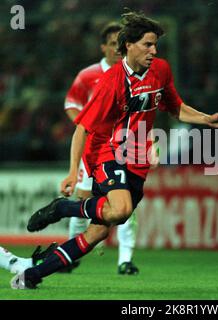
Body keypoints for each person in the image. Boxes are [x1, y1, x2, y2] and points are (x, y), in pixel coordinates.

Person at [12, 11, 218, 289]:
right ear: (128, 46)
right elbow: (82, 128)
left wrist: (206, 119)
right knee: (121, 210)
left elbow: (176, 107)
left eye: (155, 45)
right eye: (147, 44)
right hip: (107, 153)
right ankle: (64, 208)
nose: (153, 51)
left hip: (137, 161)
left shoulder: (161, 70)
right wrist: (73, 172)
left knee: (97, 233)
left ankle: (32, 276)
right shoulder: (112, 83)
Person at [63, 21, 139, 275]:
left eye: (122, 43)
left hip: (124, 147)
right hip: (94, 149)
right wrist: (87, 126)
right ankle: (71, 254)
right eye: (113, 44)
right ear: (103, 47)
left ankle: (125, 260)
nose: (118, 49)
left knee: (126, 205)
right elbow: (71, 104)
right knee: (84, 200)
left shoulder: (137, 73)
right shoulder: (88, 75)